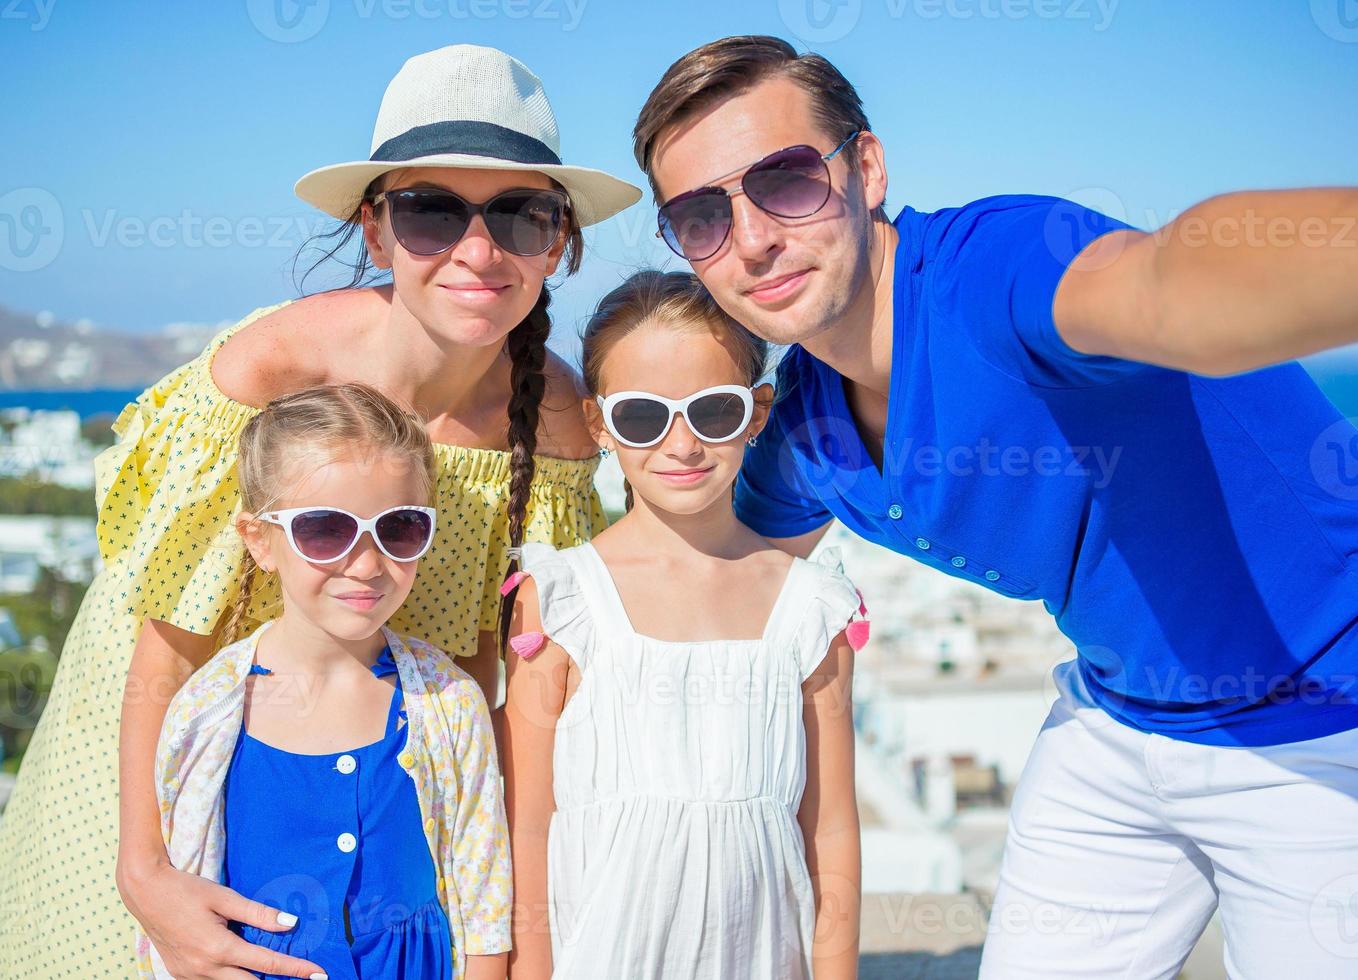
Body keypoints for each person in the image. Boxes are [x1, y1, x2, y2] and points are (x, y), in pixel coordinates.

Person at [633, 35, 1358, 979]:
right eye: (701, 216)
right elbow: (704, 561)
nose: (755, 238)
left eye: (785, 180)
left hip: (1322, 724)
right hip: (1119, 721)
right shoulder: (811, 425)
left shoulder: (991, 275)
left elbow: (1173, 285)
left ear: (867, 167)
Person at [0, 44, 640, 978]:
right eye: (431, 210)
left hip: (381, 795)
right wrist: (144, 871)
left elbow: (494, 674)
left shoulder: (558, 418)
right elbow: (163, 651)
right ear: (376, 231)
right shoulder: (272, 373)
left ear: (559, 240)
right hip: (181, 765)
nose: (479, 251)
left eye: (522, 216)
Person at [500, 270, 868, 980]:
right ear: (599, 424)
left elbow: (829, 829)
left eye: (714, 412)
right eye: (643, 416)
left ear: (757, 414)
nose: (682, 443)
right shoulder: (561, 599)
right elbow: (529, 827)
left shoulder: (812, 610)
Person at [138, 383, 507, 980]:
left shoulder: (449, 701)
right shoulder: (207, 707)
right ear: (259, 540)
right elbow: (183, 869)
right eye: (326, 530)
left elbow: (482, 880)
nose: (365, 563)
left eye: (401, 528)